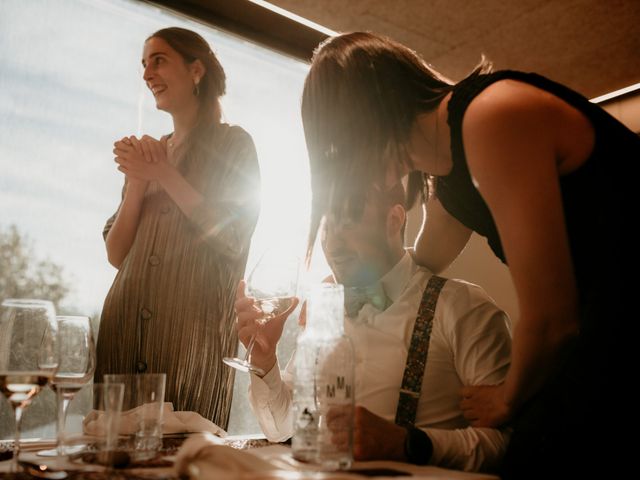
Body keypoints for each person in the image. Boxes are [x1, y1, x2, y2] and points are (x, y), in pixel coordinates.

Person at [300, 31, 639, 477]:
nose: (348, 171)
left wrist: (506, 399)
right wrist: (346, 290)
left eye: (338, 151)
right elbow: (418, 265)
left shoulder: (490, 118)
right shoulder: (448, 177)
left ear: (364, 120)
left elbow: (553, 318)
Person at [235, 183, 512, 472]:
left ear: (394, 220)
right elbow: (282, 428)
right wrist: (265, 362)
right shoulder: (321, 308)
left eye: (348, 223)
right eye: (326, 228)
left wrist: (409, 444)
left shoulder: (462, 307)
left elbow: (505, 445)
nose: (334, 244)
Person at [95, 27, 260, 428]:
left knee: (185, 461)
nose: (147, 73)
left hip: (192, 344)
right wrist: (137, 181)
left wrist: (163, 173)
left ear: (197, 69)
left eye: (159, 60)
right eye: (144, 64)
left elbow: (232, 238)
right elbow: (117, 255)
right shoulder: (149, 153)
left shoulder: (234, 144)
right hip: (121, 337)